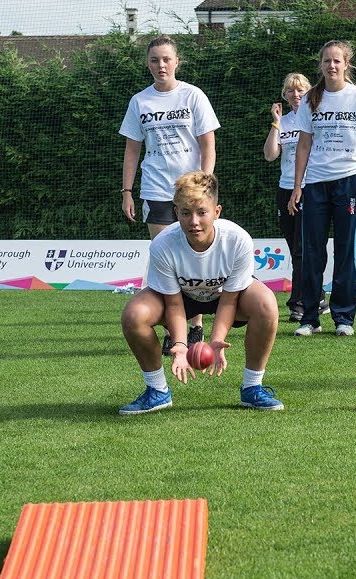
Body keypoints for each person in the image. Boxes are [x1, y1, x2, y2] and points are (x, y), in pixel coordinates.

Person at [120, 171, 283, 414]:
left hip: (225, 298)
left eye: (202, 213)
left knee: (266, 303)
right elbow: (174, 304)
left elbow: (230, 300)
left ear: (217, 211)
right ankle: (157, 391)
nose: (194, 221)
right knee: (134, 314)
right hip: (182, 299)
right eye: (186, 213)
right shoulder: (163, 243)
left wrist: (216, 341)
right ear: (176, 213)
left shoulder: (238, 240)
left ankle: (252, 388)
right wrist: (180, 346)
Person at [120, 35, 220, 353]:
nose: (160, 65)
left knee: (194, 262)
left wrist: (204, 186)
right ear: (148, 63)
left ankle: (196, 328)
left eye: (166, 59)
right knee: (165, 263)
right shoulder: (140, 102)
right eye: (154, 60)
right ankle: (171, 330)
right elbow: (132, 150)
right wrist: (127, 191)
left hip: (191, 193)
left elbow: (208, 144)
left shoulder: (193, 96)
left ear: (177, 62)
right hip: (155, 191)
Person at [288, 40, 356, 337]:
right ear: (321, 64)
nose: (331, 66)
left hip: (350, 179)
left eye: (337, 61)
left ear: (347, 64)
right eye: (327, 61)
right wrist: (297, 186)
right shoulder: (311, 98)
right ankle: (310, 318)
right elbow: (304, 144)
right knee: (313, 251)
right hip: (315, 183)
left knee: (346, 251)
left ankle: (344, 318)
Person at [263, 72, 319, 322]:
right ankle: (317, 298)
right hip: (285, 188)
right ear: (284, 95)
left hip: (309, 187)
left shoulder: (316, 118)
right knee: (295, 247)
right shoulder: (283, 122)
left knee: (302, 248)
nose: (295, 95)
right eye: (290, 91)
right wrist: (276, 123)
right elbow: (270, 155)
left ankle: (298, 304)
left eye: (300, 90)